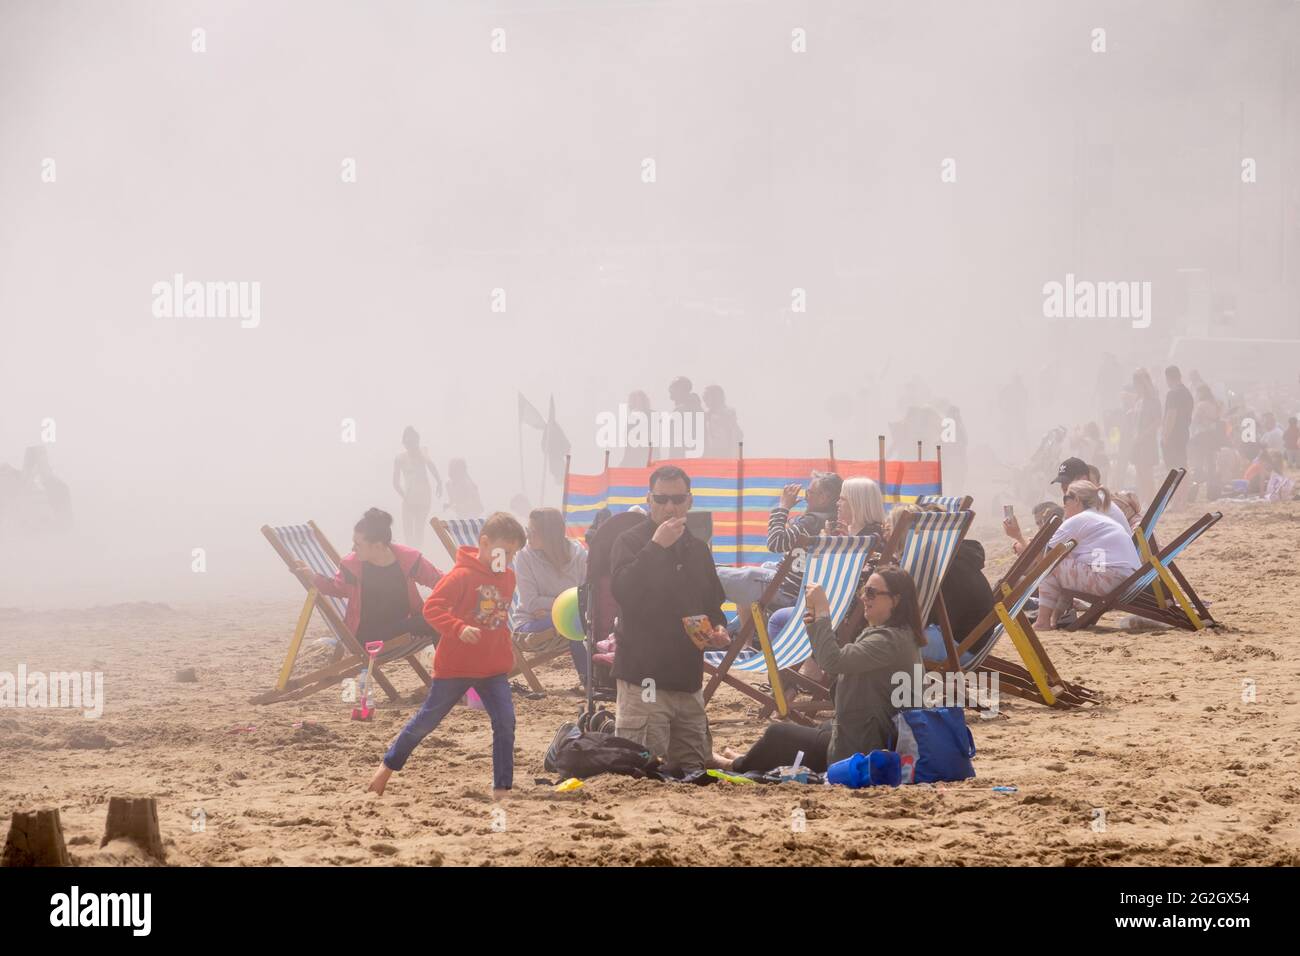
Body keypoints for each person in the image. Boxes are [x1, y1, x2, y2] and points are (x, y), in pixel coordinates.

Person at [369, 512, 526, 800]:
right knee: (426, 721)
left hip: (493, 669)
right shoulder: (461, 575)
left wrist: (506, 650)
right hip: (456, 667)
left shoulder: (509, 577)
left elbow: (499, 619)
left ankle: (502, 788)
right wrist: (458, 627)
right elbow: (433, 609)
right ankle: (387, 766)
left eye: (513, 554)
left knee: (505, 722)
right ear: (484, 542)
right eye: (504, 552)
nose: (508, 559)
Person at [714, 567, 925, 774]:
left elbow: (833, 662)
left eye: (871, 592)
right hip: (877, 735)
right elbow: (840, 665)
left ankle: (736, 766)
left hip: (866, 751)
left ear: (895, 600)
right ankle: (750, 759)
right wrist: (817, 623)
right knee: (821, 729)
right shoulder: (899, 635)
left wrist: (823, 613)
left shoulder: (887, 640)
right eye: (863, 590)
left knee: (777, 733)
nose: (863, 597)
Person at [610, 465, 730, 775]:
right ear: (649, 499)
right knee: (640, 770)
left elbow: (713, 603)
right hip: (645, 676)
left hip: (687, 679)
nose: (669, 507)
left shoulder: (698, 549)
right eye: (661, 499)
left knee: (693, 770)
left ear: (689, 501)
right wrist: (656, 547)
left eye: (677, 499)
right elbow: (623, 591)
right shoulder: (631, 542)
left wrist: (718, 628)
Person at [294, 508, 443, 648]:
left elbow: (438, 580)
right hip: (368, 635)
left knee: (442, 617)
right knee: (435, 621)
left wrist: (460, 590)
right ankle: (445, 673)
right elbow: (337, 589)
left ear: (378, 546)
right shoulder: (352, 566)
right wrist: (312, 577)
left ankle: (447, 671)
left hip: (402, 625)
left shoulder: (408, 559)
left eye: (358, 544)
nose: (353, 548)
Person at [1033, 481, 1141, 630]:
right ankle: (1056, 617)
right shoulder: (1100, 517)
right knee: (1066, 562)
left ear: (1076, 499)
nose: (1063, 504)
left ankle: (1042, 622)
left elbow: (1047, 557)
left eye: (1066, 499)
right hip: (1129, 582)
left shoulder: (1078, 520)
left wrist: (1018, 536)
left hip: (1110, 582)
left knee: (1051, 565)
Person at [510, 507, 590, 685]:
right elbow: (531, 602)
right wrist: (563, 609)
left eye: (533, 532)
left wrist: (551, 609)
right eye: (527, 530)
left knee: (582, 621)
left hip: (565, 623)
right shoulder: (525, 556)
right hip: (530, 627)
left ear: (550, 535)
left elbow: (587, 595)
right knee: (577, 621)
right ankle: (590, 680)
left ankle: (593, 678)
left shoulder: (578, 554)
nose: (527, 536)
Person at [767, 471, 843, 608]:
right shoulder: (831, 521)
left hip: (785, 590)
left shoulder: (812, 522)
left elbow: (775, 543)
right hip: (795, 588)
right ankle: (739, 629)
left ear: (823, 498)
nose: (805, 498)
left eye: (809, 493)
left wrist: (783, 507)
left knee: (725, 578)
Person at [393, 427, 443, 548]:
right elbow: (395, 483)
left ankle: (418, 554)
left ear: (417, 441)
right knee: (408, 530)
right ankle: (410, 555)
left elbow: (430, 464)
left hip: (423, 496)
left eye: (413, 442)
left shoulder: (423, 452)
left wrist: (439, 481)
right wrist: (404, 496)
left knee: (419, 529)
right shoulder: (400, 458)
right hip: (409, 497)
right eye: (408, 443)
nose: (411, 446)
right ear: (404, 443)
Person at [1050, 457, 1131, 531]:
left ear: (1083, 479)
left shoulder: (1092, 502)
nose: (1063, 487)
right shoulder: (1092, 499)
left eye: (1066, 481)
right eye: (1061, 482)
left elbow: (1065, 535)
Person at [1131, 369, 1162, 506]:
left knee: (1147, 472)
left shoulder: (1153, 400)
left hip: (1147, 441)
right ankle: (1144, 500)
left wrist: (1143, 435)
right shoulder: (1139, 401)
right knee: (1139, 472)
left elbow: (1157, 421)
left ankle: (1151, 501)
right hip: (1138, 441)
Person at [1161, 367, 1194, 473]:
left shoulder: (1173, 393)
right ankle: (1185, 488)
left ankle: (1175, 489)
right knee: (1182, 466)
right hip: (1184, 433)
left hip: (1173, 436)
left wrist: (1165, 435)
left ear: (1168, 378)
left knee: (1172, 469)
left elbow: (1171, 415)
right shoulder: (1188, 393)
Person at [701, 384, 743, 458]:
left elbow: (736, 437)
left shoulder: (726, 415)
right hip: (711, 456)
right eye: (704, 398)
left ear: (716, 398)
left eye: (707, 397)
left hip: (724, 457)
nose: (704, 400)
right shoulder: (708, 415)